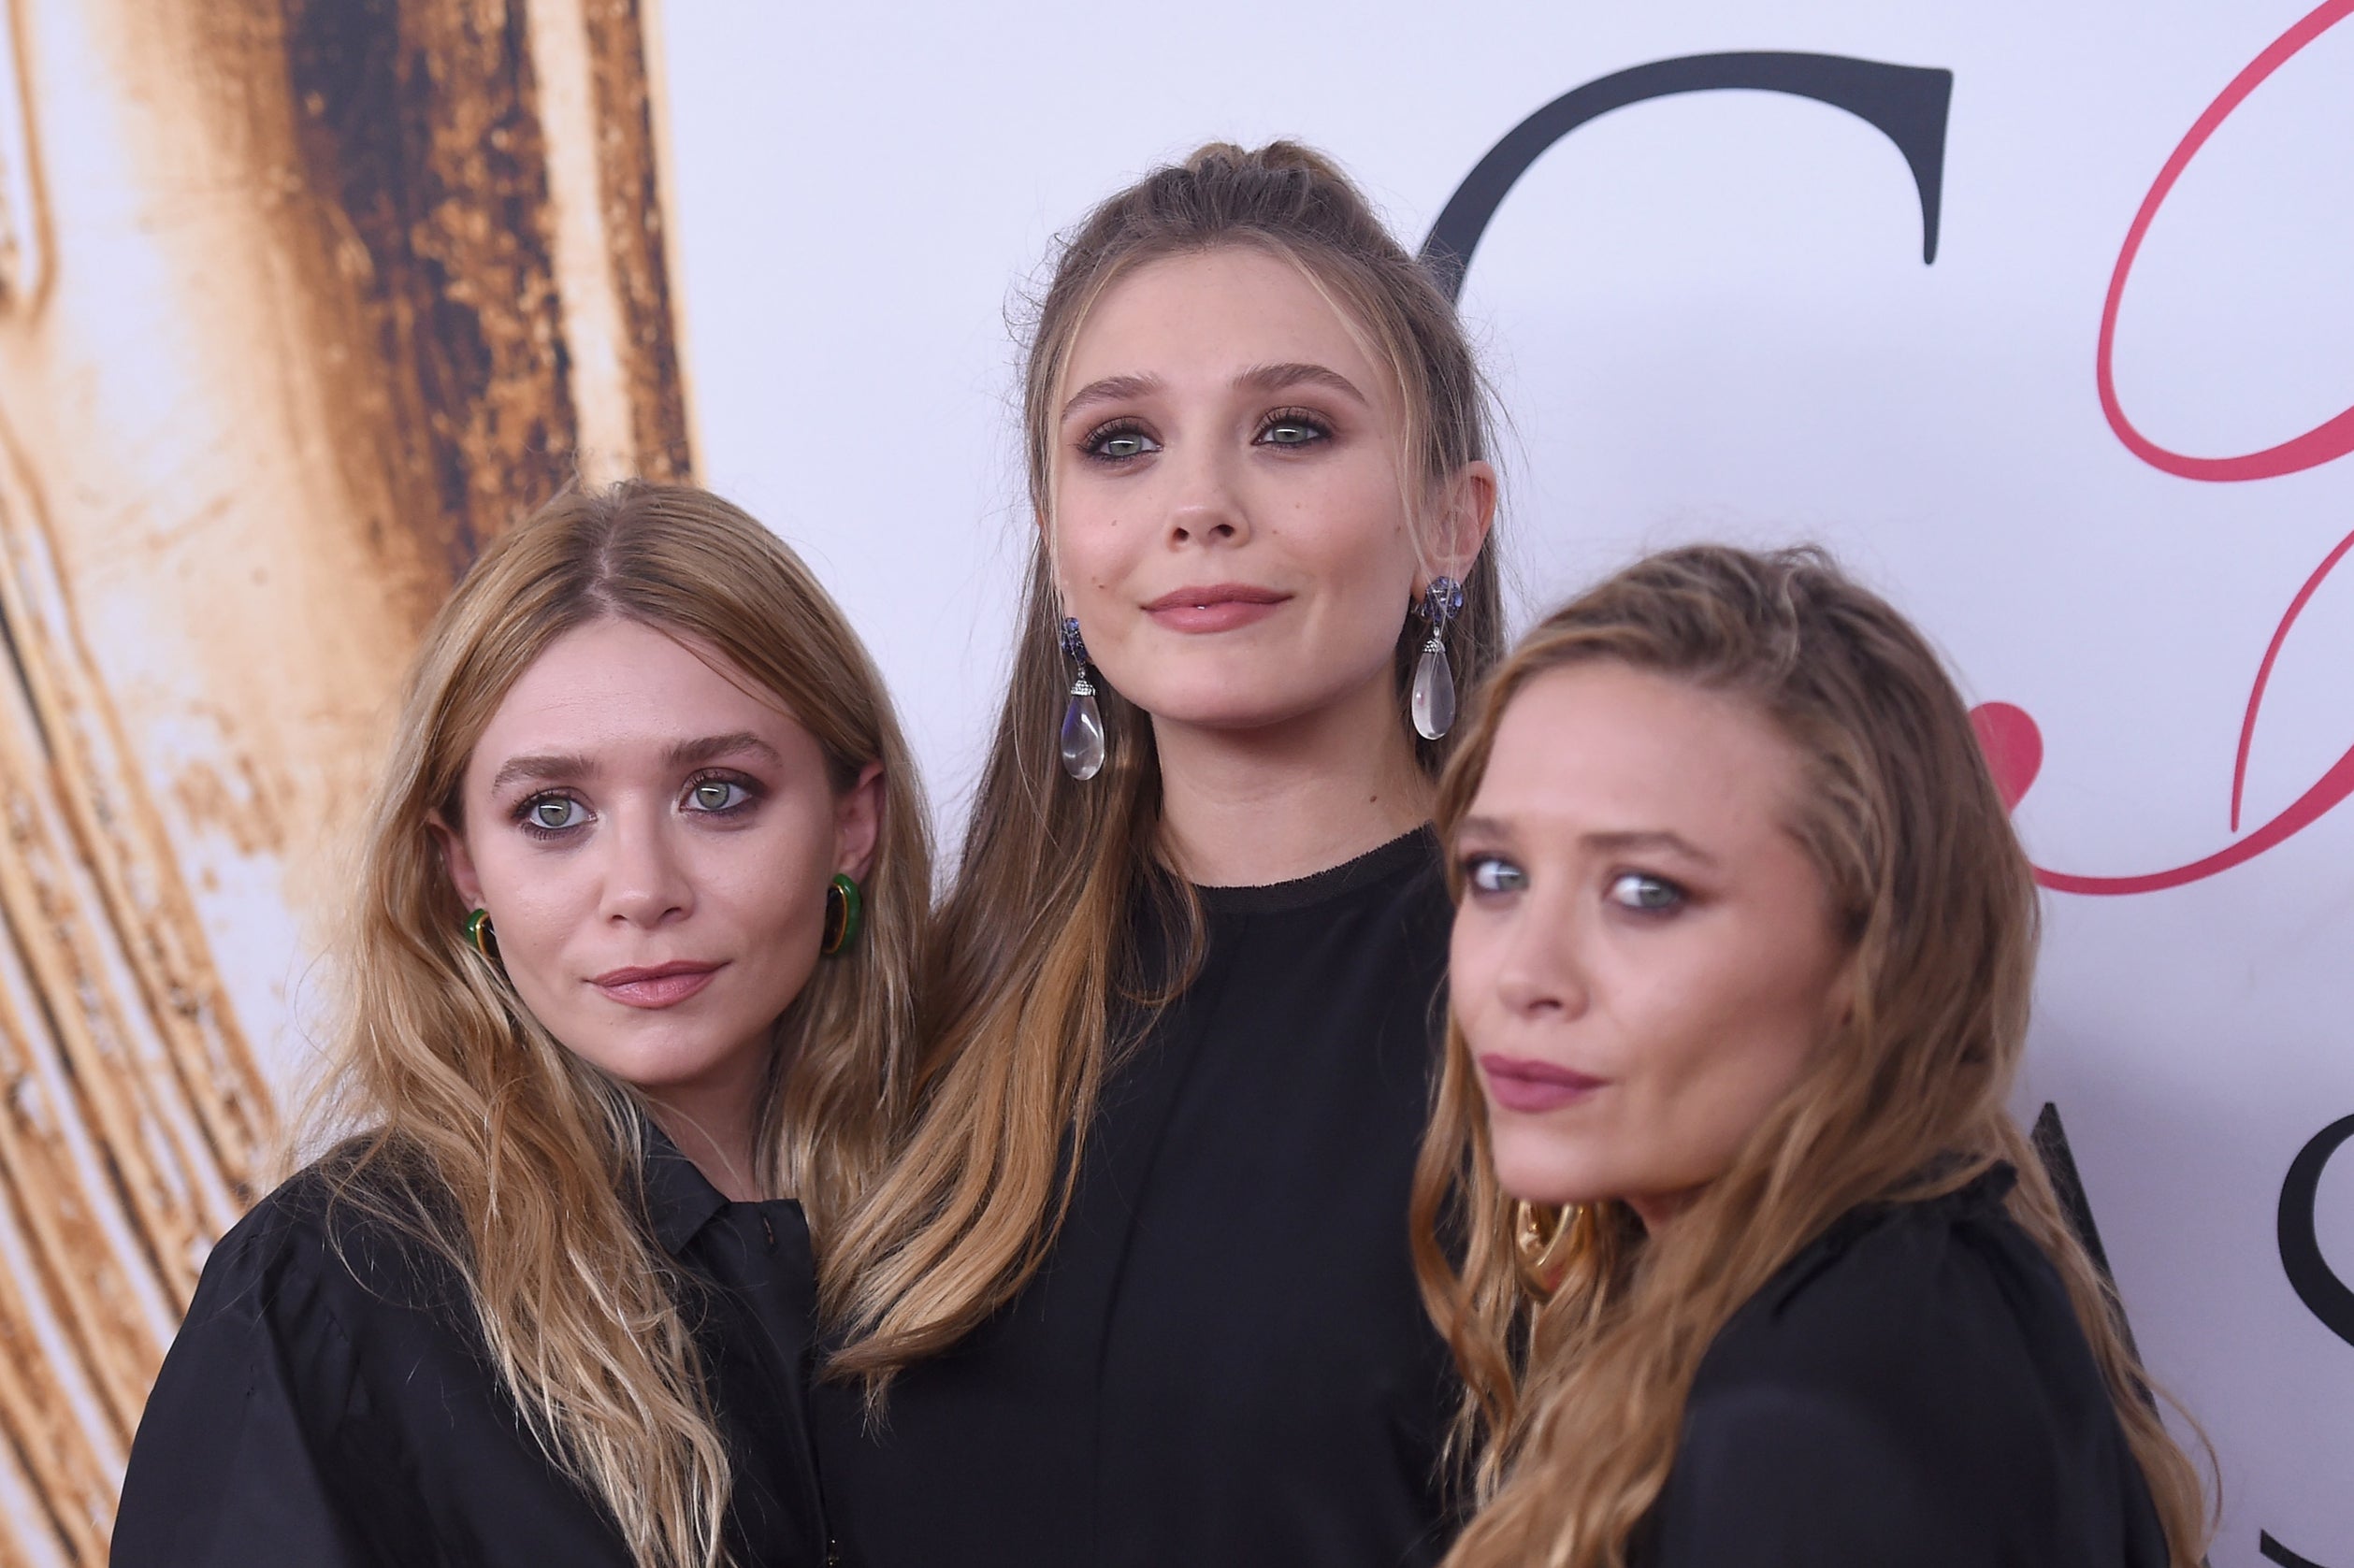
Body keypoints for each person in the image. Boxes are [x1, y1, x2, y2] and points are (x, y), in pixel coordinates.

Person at [811, 141, 1501, 1568]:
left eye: (1293, 429)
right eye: (1121, 441)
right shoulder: (920, 1010)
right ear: (1063, 547)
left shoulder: (1558, 993)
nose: (1200, 505)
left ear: (1450, 521)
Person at [112, 482, 930, 1568]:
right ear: (463, 867)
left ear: (853, 824)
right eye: (553, 812)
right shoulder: (331, 1294)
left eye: (719, 793)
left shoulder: (998, 1211)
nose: (640, 889)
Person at [1413, 544, 2212, 1567]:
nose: (1525, 975)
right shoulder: (1929, 1284)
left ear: (1874, 951)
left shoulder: (1809, 1421)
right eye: (1496, 873)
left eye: (1646, 893)